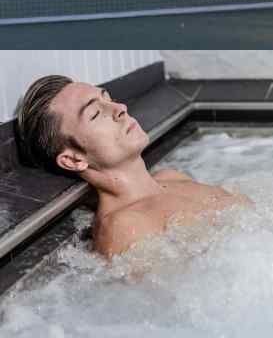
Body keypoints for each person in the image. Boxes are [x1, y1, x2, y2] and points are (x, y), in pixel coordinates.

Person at [15, 75, 244, 258]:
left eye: (109, 98)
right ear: (74, 160)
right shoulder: (123, 229)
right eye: (95, 113)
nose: (120, 108)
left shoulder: (173, 177)